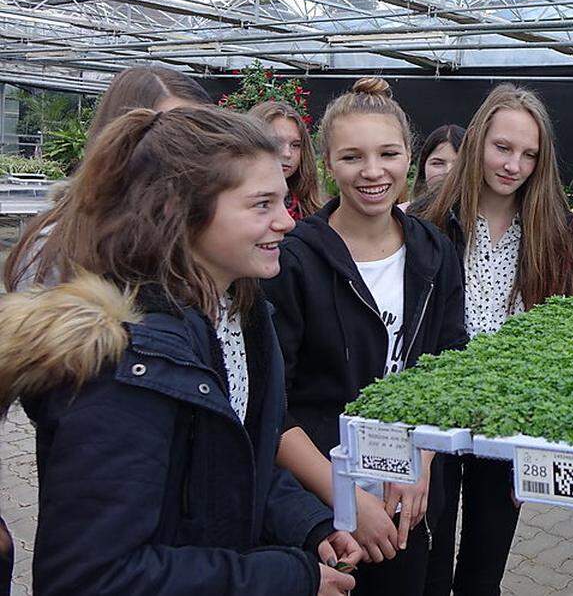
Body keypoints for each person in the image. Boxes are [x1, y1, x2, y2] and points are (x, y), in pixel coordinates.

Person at [2, 106, 362, 595]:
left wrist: (309, 525)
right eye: (261, 205)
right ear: (182, 213)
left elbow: (234, 470)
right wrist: (286, 577)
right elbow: (91, 576)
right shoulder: (127, 359)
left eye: (282, 200)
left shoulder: (242, 314)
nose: (286, 222)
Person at [264, 78, 467, 595]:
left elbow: (450, 368)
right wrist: (346, 498)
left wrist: (421, 463)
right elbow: (271, 405)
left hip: (410, 497)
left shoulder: (434, 251)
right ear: (327, 163)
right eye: (352, 157)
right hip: (321, 504)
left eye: (388, 154)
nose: (373, 172)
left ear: (408, 158)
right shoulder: (293, 260)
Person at [415, 83, 573, 596]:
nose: (513, 165)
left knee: (485, 565)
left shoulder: (550, 228)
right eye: (503, 148)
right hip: (434, 418)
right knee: (427, 563)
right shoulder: (428, 220)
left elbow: (553, 336)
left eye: (529, 154)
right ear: (479, 141)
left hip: (506, 421)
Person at [4, 65, 212, 291]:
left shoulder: (201, 227)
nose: (191, 149)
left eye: (200, 133)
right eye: (171, 131)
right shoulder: (59, 246)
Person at [248, 101, 322, 220]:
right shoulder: (231, 204)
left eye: (295, 145)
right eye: (276, 143)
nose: (287, 154)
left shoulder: (316, 212)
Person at [405, 123, 465, 208]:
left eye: (459, 164)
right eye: (438, 163)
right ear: (423, 167)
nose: (448, 171)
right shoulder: (401, 217)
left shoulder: (487, 217)